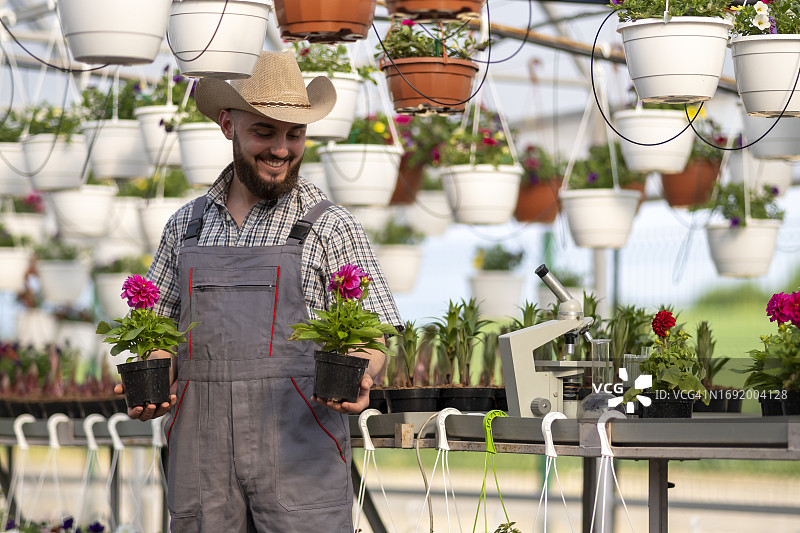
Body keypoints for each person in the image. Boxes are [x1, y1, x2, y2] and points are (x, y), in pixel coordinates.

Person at [114, 50, 403, 532]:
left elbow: (370, 333)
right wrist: (153, 376)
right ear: (228, 125)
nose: (282, 149)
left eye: (295, 133)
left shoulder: (329, 227)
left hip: (298, 452)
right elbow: (157, 332)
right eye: (264, 131)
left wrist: (363, 371)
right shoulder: (186, 227)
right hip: (201, 458)